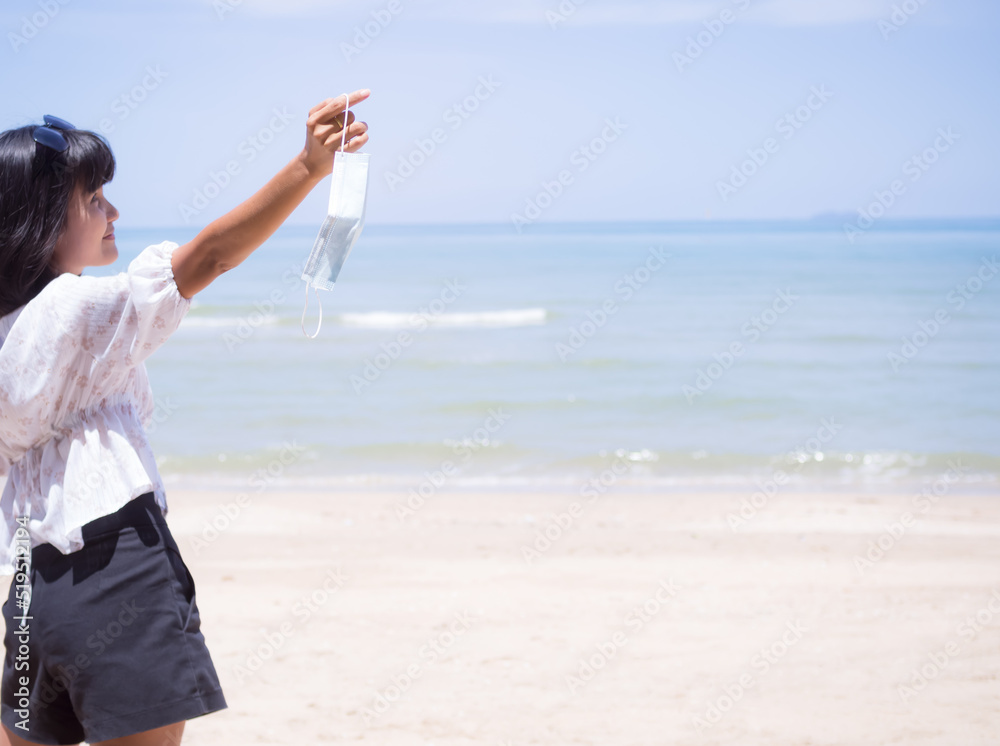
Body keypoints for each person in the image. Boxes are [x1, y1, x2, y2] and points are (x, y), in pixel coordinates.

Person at [0, 90, 371, 746]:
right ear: (42, 220)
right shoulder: (70, 311)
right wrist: (307, 168)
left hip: (34, 584)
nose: (113, 212)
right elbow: (207, 258)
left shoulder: (9, 331)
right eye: (94, 199)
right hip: (115, 569)